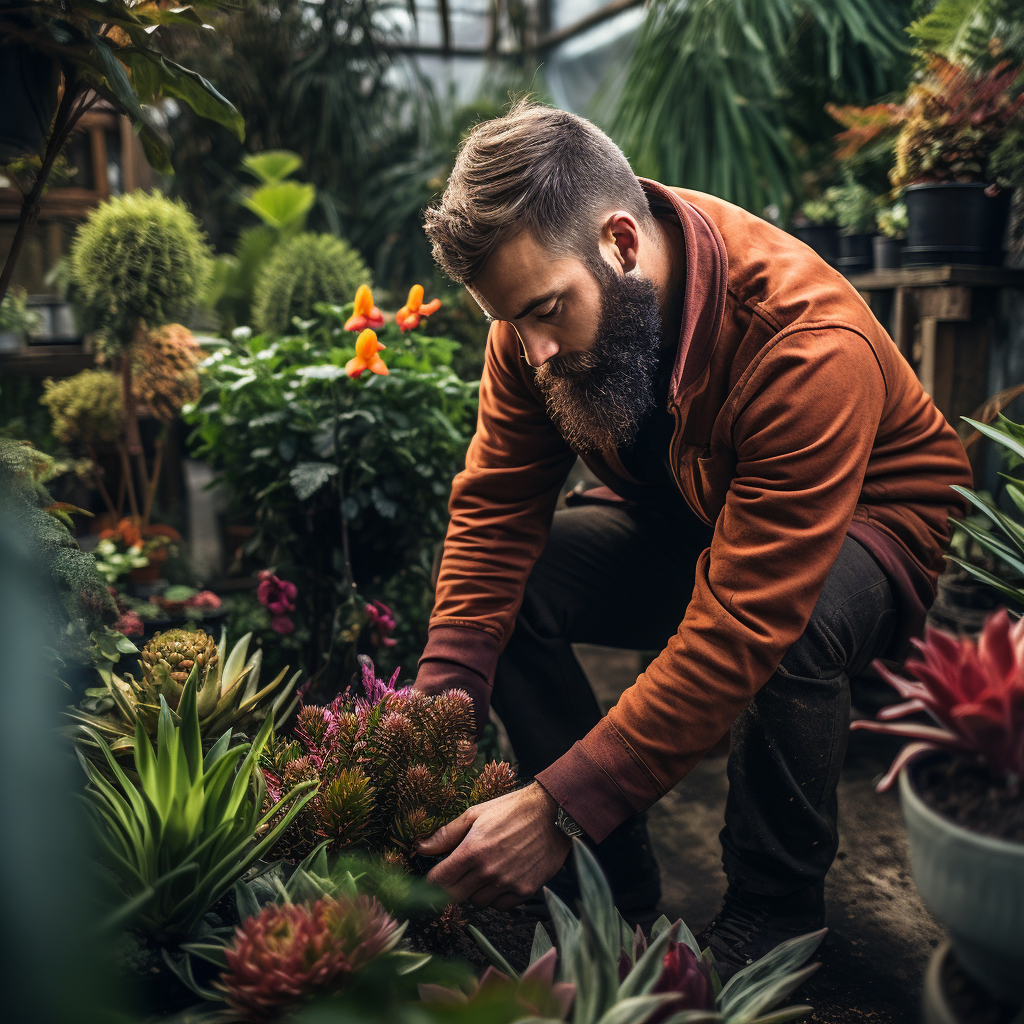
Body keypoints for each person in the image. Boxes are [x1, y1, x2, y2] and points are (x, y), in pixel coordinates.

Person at [410, 101, 973, 978]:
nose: (536, 352)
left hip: (872, 524)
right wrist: (435, 717)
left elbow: (745, 617)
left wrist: (557, 803)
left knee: (798, 626)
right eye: (512, 321)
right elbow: (493, 510)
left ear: (622, 244)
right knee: (520, 585)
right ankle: (609, 880)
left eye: (546, 312)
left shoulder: (803, 342)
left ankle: (774, 915)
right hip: (692, 512)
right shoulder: (535, 325)